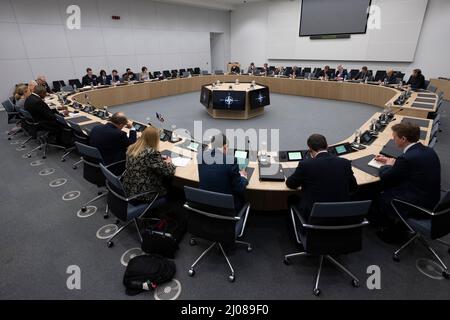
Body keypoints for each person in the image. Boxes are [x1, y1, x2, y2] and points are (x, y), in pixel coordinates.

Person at [374, 122, 441, 242]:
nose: (392, 139)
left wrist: (387, 165)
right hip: (433, 200)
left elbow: (386, 176)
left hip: (418, 205)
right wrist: (394, 163)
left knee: (380, 194)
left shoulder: (406, 158)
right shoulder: (428, 151)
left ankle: (391, 231)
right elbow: (410, 167)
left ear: (403, 138)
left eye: (394, 137)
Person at [286, 134, 358, 220]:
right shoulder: (345, 163)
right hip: (342, 216)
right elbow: (353, 187)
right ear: (327, 146)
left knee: (292, 198)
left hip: (315, 218)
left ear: (309, 149)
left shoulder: (306, 165)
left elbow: (290, 184)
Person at [122, 126, 175, 202]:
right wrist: (169, 162)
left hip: (128, 188)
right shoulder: (152, 153)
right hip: (143, 193)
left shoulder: (133, 147)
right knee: (171, 186)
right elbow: (169, 172)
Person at [197, 133, 248, 211]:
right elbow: (239, 188)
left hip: (204, 205)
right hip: (226, 209)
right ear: (225, 146)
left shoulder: (200, 157)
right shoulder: (231, 161)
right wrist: (243, 178)